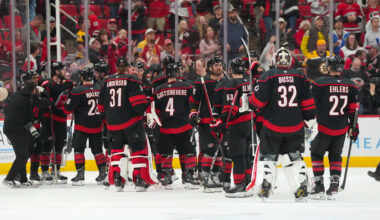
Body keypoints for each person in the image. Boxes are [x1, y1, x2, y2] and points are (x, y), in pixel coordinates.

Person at [249, 47, 316, 202]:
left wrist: (250, 100)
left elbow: (257, 102)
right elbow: (308, 104)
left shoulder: (268, 76)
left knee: (268, 157)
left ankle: (266, 185)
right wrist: (307, 119)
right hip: (295, 126)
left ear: (276, 60)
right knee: (294, 157)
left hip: (272, 126)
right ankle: (300, 186)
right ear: (290, 60)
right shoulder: (300, 76)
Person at [98, 59, 156, 192]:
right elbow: (138, 103)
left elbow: (100, 106)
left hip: (112, 124)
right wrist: (145, 111)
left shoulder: (107, 81)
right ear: (128, 68)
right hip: (131, 123)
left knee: (117, 151)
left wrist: (107, 119)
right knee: (138, 150)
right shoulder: (132, 80)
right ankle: (139, 179)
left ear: (116, 66)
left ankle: (118, 179)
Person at [310, 56, 359, 200]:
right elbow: (353, 109)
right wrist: (354, 127)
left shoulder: (320, 83)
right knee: (335, 156)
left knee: (316, 154)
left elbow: (312, 105)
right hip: (341, 128)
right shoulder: (351, 85)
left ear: (329, 67)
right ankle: (334, 185)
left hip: (324, 127)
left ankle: (318, 186)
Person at [152, 62, 200, 189]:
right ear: (177, 73)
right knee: (188, 151)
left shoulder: (158, 89)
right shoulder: (187, 86)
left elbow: (155, 110)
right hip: (184, 125)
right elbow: (192, 104)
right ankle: (188, 176)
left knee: (165, 152)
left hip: (166, 126)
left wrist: (158, 123)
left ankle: (167, 176)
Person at [2, 70, 50, 188]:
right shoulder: (30, 98)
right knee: (23, 155)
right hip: (16, 129)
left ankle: (23, 180)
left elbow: (7, 111)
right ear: (33, 90)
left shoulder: (17, 94)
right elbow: (46, 103)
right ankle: (9, 178)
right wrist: (45, 92)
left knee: (22, 154)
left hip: (10, 128)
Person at [63, 67, 107, 186]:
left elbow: (66, 109)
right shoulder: (100, 88)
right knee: (98, 150)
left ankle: (80, 175)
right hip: (97, 125)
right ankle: (103, 173)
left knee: (78, 150)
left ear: (82, 77)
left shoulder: (77, 90)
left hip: (82, 125)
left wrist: (67, 99)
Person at [219, 57, 254, 198]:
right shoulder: (249, 82)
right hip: (249, 123)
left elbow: (230, 108)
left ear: (231, 69)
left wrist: (223, 122)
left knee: (237, 155)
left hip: (236, 124)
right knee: (246, 154)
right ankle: (247, 182)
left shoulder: (231, 83)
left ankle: (239, 184)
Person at [190, 56, 226, 193]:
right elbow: (193, 101)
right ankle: (205, 175)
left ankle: (215, 175)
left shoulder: (226, 82)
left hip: (221, 121)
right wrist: (193, 114)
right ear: (210, 68)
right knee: (209, 149)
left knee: (219, 150)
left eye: (220, 65)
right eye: (216, 65)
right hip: (206, 121)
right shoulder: (202, 82)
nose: (219, 67)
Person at [39, 62, 74, 184]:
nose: (65, 72)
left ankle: (56, 170)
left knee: (59, 145)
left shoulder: (66, 85)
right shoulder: (48, 85)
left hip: (62, 119)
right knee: (47, 144)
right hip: (49, 119)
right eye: (63, 70)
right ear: (56, 71)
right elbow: (42, 101)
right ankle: (44, 171)